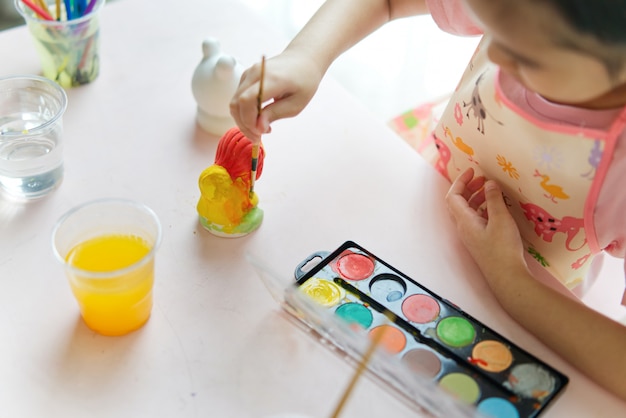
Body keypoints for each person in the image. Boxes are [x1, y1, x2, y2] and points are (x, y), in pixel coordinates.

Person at [230, 0, 626, 400]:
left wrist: (512, 282)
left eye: (527, 55)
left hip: (522, 320)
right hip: (421, 208)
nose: (497, 55)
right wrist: (306, 56)